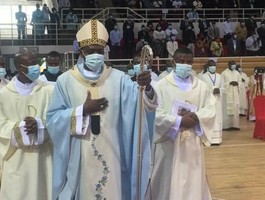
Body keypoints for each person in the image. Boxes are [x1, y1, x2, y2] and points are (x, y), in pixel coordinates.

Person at [46, 19, 157, 200]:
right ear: (81, 51)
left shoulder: (119, 79)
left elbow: (140, 105)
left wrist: (147, 88)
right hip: (80, 154)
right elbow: (53, 119)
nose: (96, 55)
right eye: (91, 51)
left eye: (100, 51)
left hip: (114, 151)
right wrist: (81, 110)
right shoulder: (65, 81)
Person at [149, 47, 215, 200]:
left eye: (189, 62)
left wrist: (196, 117)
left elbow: (211, 109)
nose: (185, 65)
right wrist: (178, 121)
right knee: (167, 181)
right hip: (169, 144)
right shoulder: (160, 86)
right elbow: (154, 112)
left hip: (192, 143)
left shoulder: (202, 87)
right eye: (181, 61)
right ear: (173, 62)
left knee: (193, 179)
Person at [0, 50, 53, 200]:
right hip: (16, 160)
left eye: (36, 62)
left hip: (44, 158)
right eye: (31, 64)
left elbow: (57, 120)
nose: (36, 66)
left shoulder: (49, 90)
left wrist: (40, 125)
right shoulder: (3, 95)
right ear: (19, 67)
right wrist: (21, 128)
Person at [201, 60, 223, 144]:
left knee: (218, 118)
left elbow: (223, 87)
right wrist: (212, 90)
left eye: (214, 65)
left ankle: (217, 139)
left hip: (218, 100)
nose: (213, 67)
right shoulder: (204, 76)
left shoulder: (219, 76)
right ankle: (208, 137)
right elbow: (203, 89)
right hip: (209, 101)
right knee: (210, 117)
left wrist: (219, 90)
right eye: (211, 65)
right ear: (208, 67)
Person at [221, 60, 241, 130]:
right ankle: (227, 126)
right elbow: (222, 84)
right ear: (228, 65)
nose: (234, 65)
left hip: (235, 93)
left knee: (235, 108)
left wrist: (237, 84)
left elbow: (240, 82)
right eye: (232, 64)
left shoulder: (237, 73)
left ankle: (235, 125)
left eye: (234, 64)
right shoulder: (224, 73)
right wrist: (229, 83)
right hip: (227, 94)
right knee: (227, 108)